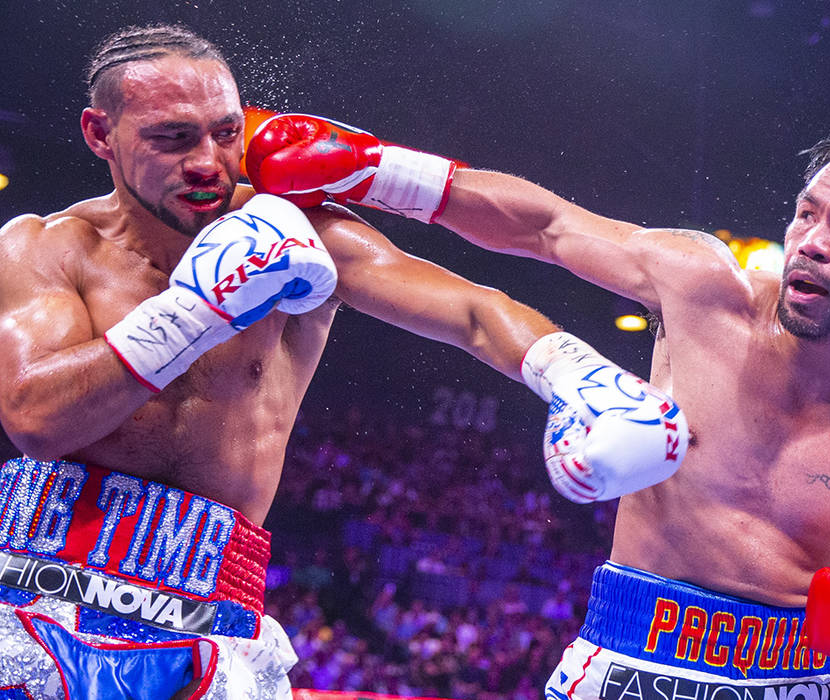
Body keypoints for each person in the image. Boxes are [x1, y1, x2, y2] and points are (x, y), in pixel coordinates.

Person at [0, 25, 686, 699]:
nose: (208, 160)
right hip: (39, 595)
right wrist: (198, 308)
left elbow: (473, 312)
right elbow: (36, 417)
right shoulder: (44, 249)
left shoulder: (295, 226)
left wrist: (576, 374)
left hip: (209, 611)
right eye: (173, 138)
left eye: (226, 132)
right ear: (100, 134)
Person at [248, 106, 830, 697]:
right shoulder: (705, 291)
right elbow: (547, 225)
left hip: (792, 681)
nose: (811, 244)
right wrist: (377, 170)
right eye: (807, 214)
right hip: (628, 663)